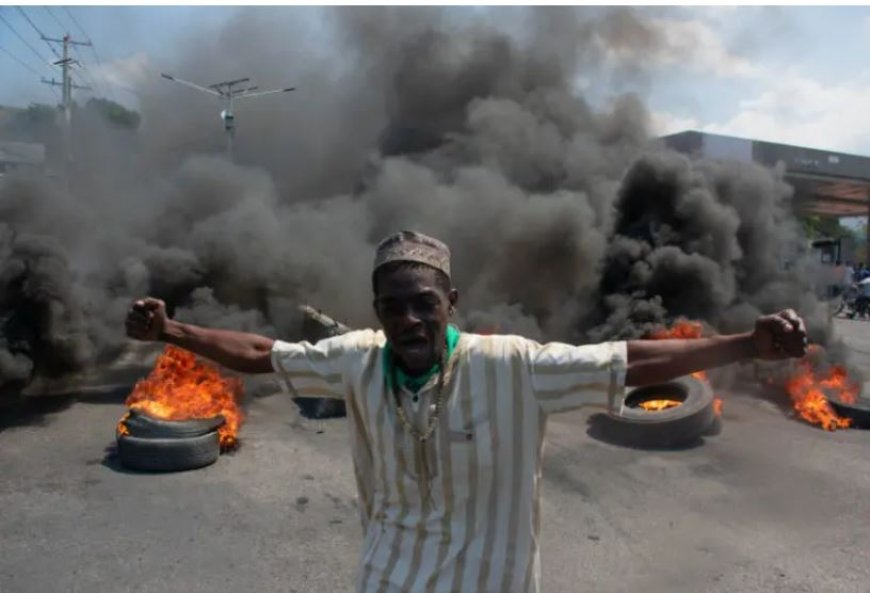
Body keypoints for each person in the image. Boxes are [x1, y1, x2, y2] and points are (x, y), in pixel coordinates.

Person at [125, 230, 809, 593]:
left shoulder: (511, 365)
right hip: (389, 579)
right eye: (394, 306)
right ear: (377, 312)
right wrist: (172, 332)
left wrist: (746, 343)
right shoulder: (356, 359)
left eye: (425, 301)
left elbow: (626, 360)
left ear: (452, 302)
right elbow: (259, 352)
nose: (410, 318)